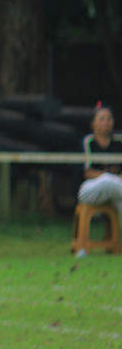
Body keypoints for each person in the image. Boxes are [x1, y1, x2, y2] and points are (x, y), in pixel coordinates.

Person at [76, 104, 122, 244]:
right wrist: (110, 177)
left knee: (112, 186)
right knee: (107, 180)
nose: (106, 122)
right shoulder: (87, 142)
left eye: (109, 119)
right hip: (90, 190)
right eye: (102, 119)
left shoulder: (119, 141)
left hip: (115, 191)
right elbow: (87, 172)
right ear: (93, 123)